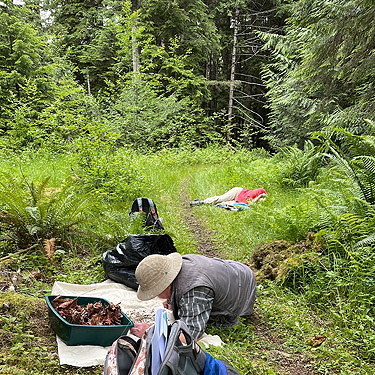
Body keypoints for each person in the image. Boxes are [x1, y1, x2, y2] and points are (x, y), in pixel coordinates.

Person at [130, 252, 257, 340]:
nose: (157, 296)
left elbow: (190, 335)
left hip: (244, 288)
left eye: (156, 291)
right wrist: (172, 301)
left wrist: (150, 333)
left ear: (166, 284)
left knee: (215, 321)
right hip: (234, 270)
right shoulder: (179, 267)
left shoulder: (194, 291)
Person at [189, 187, 267, 207]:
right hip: (238, 192)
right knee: (221, 198)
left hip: (238, 201)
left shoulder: (262, 201)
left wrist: (259, 198)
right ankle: (201, 202)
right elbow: (250, 203)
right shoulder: (261, 191)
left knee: (222, 204)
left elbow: (250, 205)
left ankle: (205, 201)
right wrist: (260, 195)